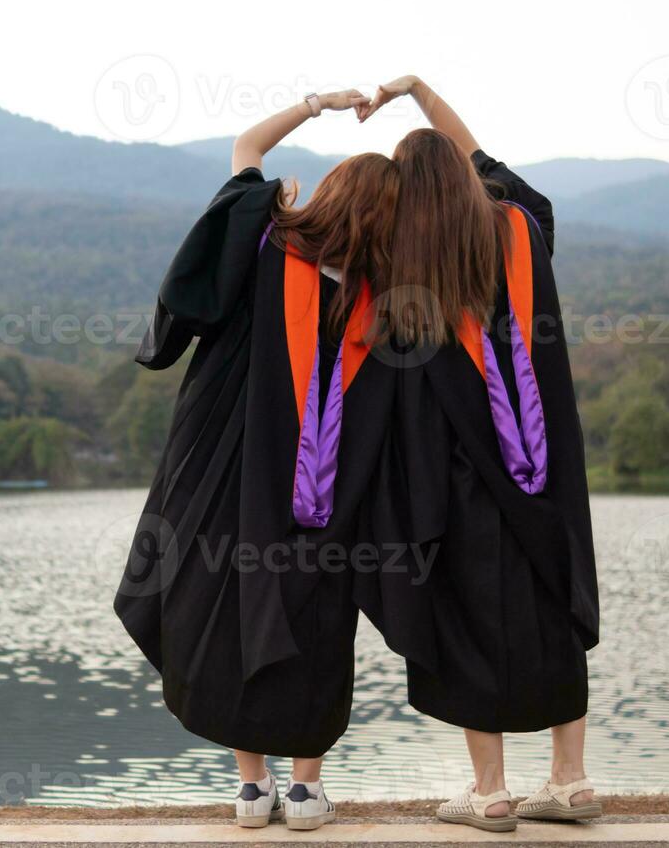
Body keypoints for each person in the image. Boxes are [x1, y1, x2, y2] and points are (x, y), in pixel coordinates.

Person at [115, 86, 409, 830]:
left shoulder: (266, 242)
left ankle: (252, 788)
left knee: (230, 608)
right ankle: (305, 790)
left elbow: (245, 150)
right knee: (320, 612)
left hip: (231, 469)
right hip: (331, 487)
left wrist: (313, 106)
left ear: (332, 197)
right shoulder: (386, 300)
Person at [354, 76, 601, 833]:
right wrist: (421, 94)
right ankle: (571, 779)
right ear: (467, 178)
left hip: (451, 472)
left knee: (461, 611)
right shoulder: (522, 229)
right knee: (550, 598)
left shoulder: (399, 263)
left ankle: (490, 790)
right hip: (543, 460)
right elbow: (480, 155)